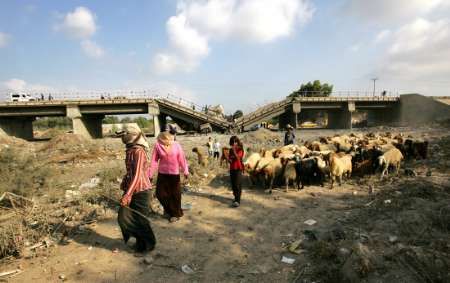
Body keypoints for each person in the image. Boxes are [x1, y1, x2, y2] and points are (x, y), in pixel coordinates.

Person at [116, 125, 156, 254]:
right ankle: (140, 244)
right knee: (124, 217)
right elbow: (131, 173)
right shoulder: (130, 150)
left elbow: (138, 175)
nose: (122, 137)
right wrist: (124, 183)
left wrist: (127, 195)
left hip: (141, 191)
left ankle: (147, 246)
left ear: (132, 135)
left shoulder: (138, 151)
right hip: (132, 189)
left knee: (140, 220)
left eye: (124, 134)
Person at [147, 131, 189, 223]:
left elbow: (182, 158)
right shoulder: (158, 145)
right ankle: (170, 210)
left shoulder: (176, 145)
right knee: (160, 194)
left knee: (175, 195)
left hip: (174, 174)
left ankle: (175, 214)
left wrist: (185, 171)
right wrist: (150, 174)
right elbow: (154, 161)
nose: (162, 141)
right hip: (162, 174)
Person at [228, 136, 244, 207]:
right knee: (233, 185)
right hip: (232, 168)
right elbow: (230, 160)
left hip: (238, 168)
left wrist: (234, 150)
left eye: (235, 141)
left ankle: (238, 200)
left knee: (238, 184)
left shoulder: (240, 149)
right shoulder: (230, 150)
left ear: (237, 142)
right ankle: (235, 197)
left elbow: (238, 157)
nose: (234, 143)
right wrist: (228, 159)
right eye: (233, 142)